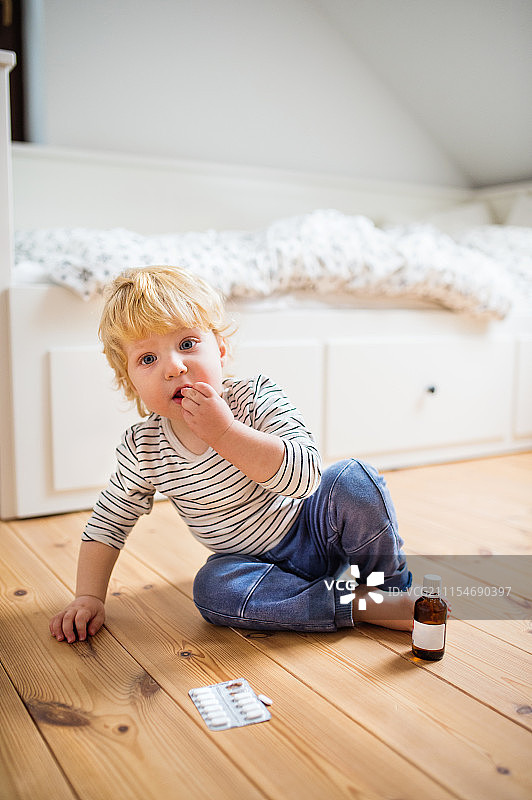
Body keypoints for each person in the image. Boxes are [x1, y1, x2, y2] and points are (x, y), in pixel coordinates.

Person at [49, 266, 415, 644]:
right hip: (250, 567)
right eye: (147, 359)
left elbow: (306, 478)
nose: (174, 367)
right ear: (131, 383)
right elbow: (108, 522)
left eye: (187, 344)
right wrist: (88, 597)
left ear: (220, 351)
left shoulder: (254, 397)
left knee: (354, 478)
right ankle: (356, 604)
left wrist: (225, 433)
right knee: (212, 589)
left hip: (316, 528)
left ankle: (387, 588)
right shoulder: (145, 447)